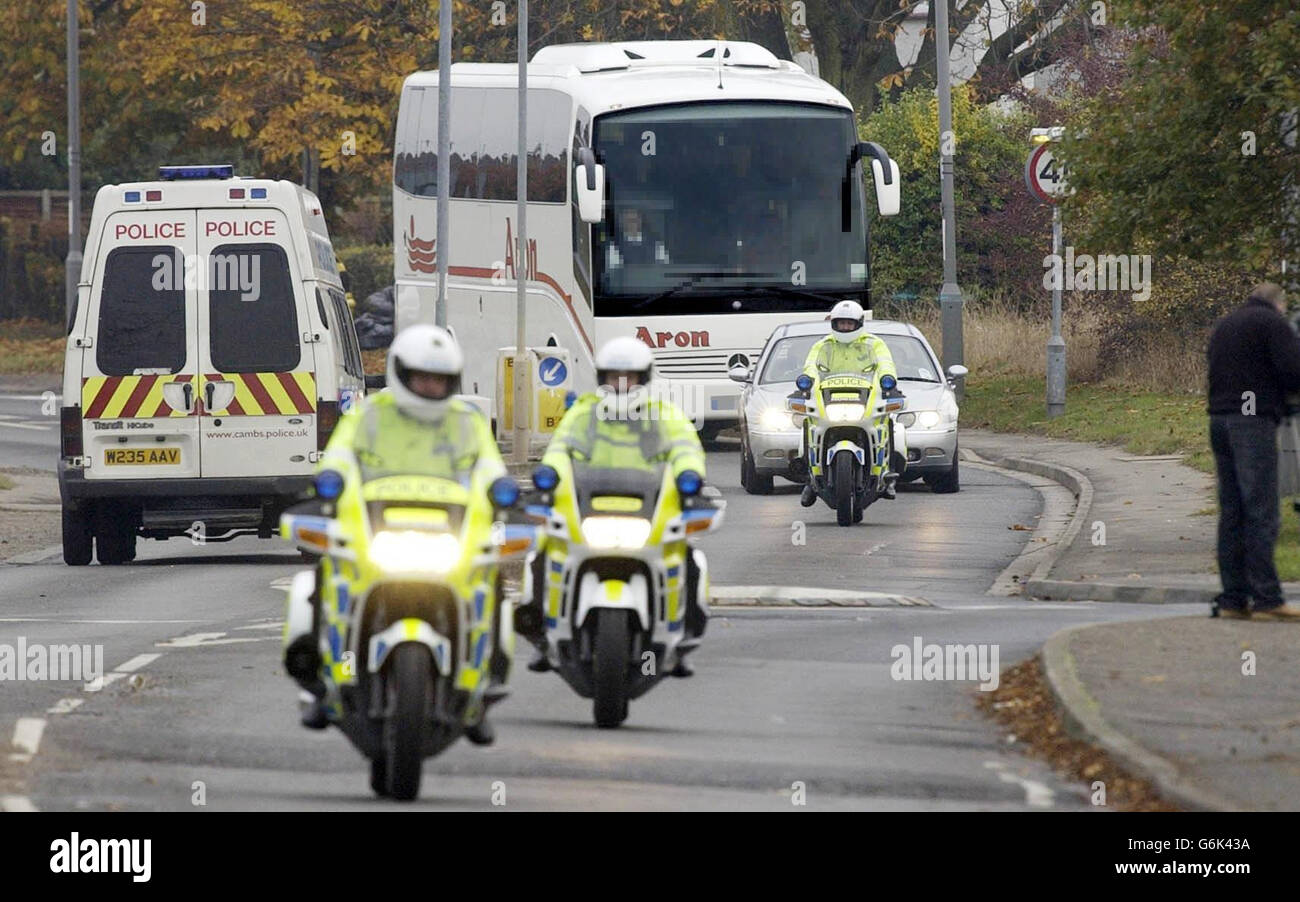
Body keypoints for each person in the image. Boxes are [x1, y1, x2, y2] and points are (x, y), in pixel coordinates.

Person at [296, 324, 508, 741]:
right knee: (326, 577)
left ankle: (477, 692)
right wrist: (331, 480)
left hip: (449, 535)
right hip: (374, 531)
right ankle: (326, 684)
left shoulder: (466, 422)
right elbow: (340, 454)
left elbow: (487, 466)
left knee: (490, 588)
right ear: (401, 373)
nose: (431, 386)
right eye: (422, 377)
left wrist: (500, 489)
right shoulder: (369, 415)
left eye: (440, 379)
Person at [517, 336, 709, 676]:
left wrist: (689, 477)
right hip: (586, 506)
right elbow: (562, 449)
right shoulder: (583, 412)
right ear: (601, 378)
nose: (621, 384)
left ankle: (681, 638)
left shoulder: (662, 415)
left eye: (629, 377)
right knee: (543, 552)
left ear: (644, 378)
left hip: (649, 508)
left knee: (688, 557)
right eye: (613, 377)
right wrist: (549, 475)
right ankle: (544, 637)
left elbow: (684, 449)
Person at [1206, 282, 1300, 621]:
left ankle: (1233, 599)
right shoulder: (1273, 324)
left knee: (1232, 512)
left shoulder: (1226, 324)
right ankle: (1267, 599)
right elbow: (1292, 371)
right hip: (1251, 421)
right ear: (1279, 305)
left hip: (1220, 420)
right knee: (1261, 509)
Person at [798, 300, 900, 506]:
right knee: (810, 424)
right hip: (830, 396)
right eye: (841, 323)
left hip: (865, 396)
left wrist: (887, 378)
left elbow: (885, 362)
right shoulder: (823, 345)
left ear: (859, 323)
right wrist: (806, 380)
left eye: (849, 323)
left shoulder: (874, 343)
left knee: (886, 422)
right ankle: (811, 478)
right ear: (834, 324)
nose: (845, 327)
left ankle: (886, 475)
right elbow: (811, 365)